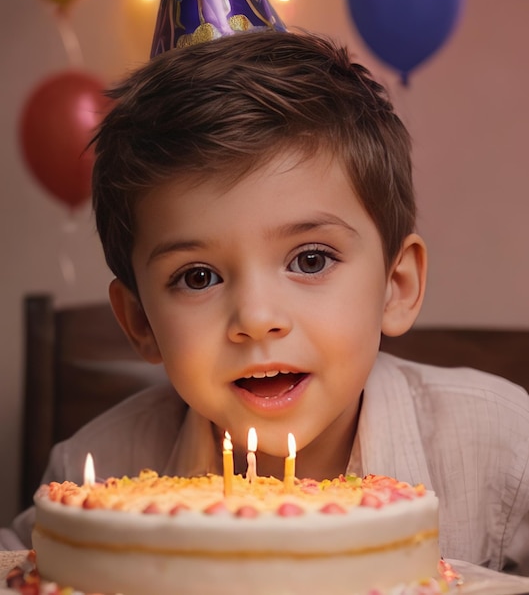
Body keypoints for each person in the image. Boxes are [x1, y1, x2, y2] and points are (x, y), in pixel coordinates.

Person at [3, 30, 529, 576]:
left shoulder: (502, 448)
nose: (256, 320)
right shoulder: (94, 475)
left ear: (396, 286)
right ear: (140, 321)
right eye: (198, 276)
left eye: (310, 260)